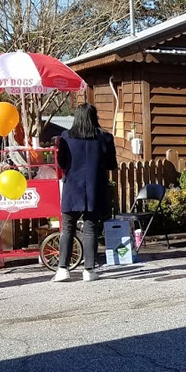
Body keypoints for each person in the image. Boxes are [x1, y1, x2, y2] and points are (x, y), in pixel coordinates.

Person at [54, 103, 117, 282]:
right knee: (90, 229)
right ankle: (89, 270)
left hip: (72, 188)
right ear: (94, 117)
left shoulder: (66, 137)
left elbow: (62, 164)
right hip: (95, 188)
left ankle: (62, 269)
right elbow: (112, 164)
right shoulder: (105, 138)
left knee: (68, 228)